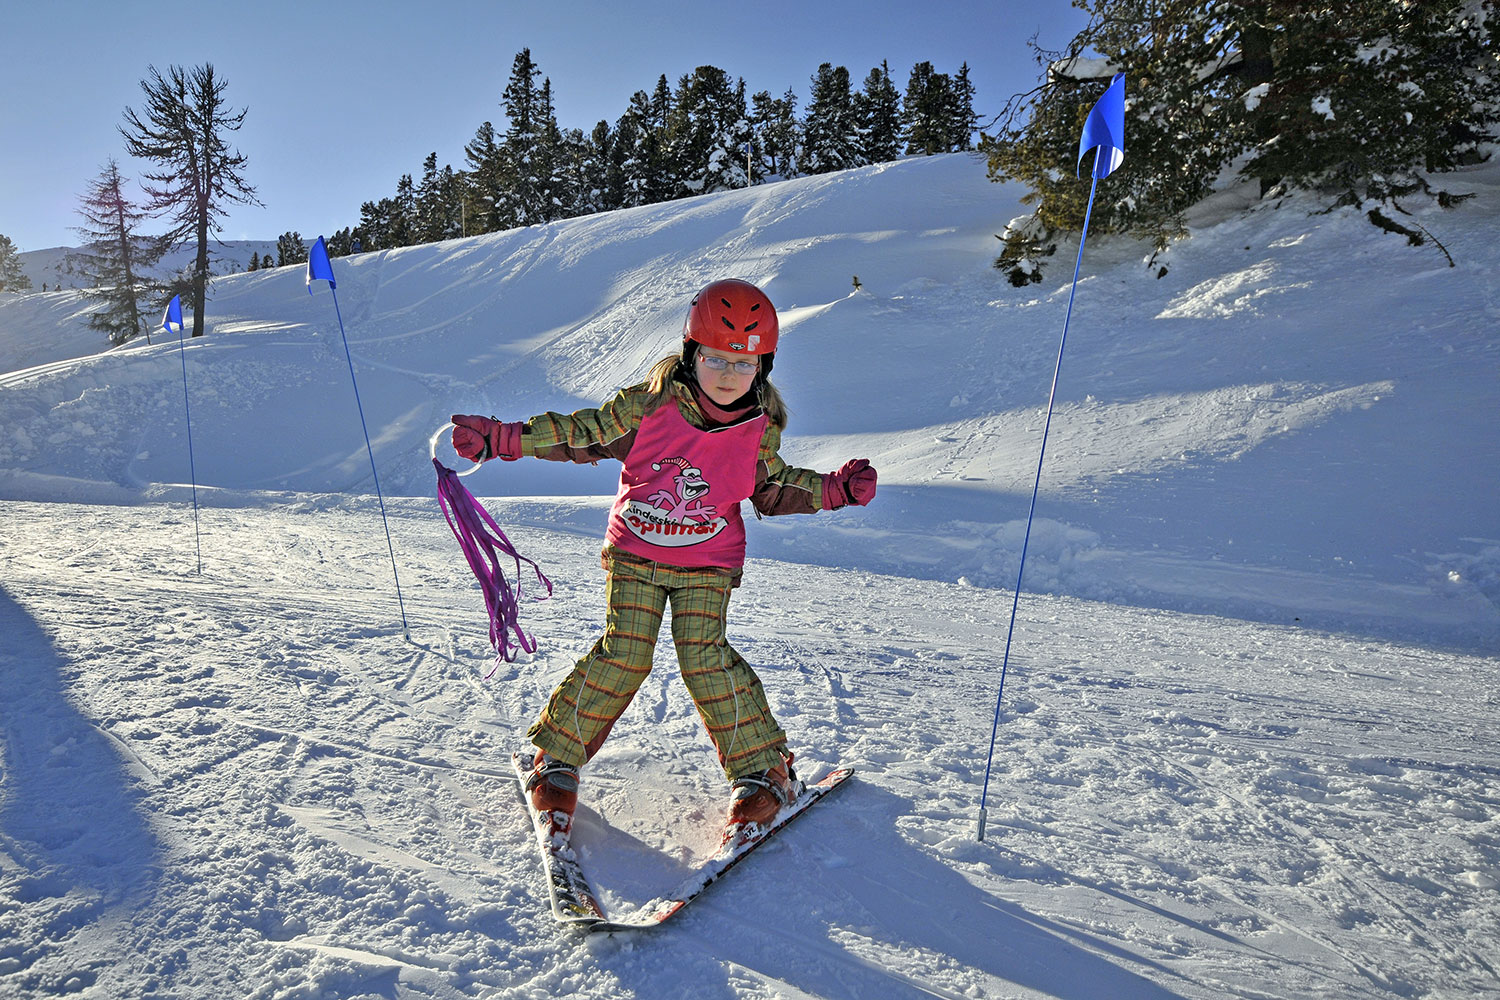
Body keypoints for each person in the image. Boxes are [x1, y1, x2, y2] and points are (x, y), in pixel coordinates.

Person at [451, 278, 877, 836]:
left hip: (708, 563)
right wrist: (504, 439)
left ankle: (762, 769)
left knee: (704, 655)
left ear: (763, 369)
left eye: (744, 365)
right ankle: (555, 757)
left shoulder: (758, 429)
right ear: (691, 354)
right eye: (717, 359)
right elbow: (581, 434)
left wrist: (833, 490)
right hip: (636, 555)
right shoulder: (647, 406)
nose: (729, 375)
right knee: (625, 651)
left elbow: (771, 487)